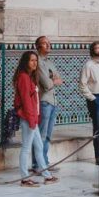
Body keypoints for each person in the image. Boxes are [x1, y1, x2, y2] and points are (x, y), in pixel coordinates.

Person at [12, 51, 57, 186]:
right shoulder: (24, 78)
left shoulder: (30, 77)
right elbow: (26, 101)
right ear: (25, 62)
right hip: (28, 118)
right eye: (31, 60)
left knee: (38, 146)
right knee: (26, 147)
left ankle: (46, 175)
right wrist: (32, 119)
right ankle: (25, 178)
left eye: (36, 60)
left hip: (32, 118)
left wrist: (36, 118)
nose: (34, 63)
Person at [35, 35, 63, 174]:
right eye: (45, 43)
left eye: (49, 43)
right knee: (41, 134)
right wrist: (53, 80)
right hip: (44, 101)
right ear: (38, 46)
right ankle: (37, 165)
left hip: (53, 101)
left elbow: (59, 79)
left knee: (48, 135)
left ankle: (44, 162)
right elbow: (46, 85)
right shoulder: (38, 62)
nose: (48, 45)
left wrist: (52, 79)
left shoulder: (50, 63)